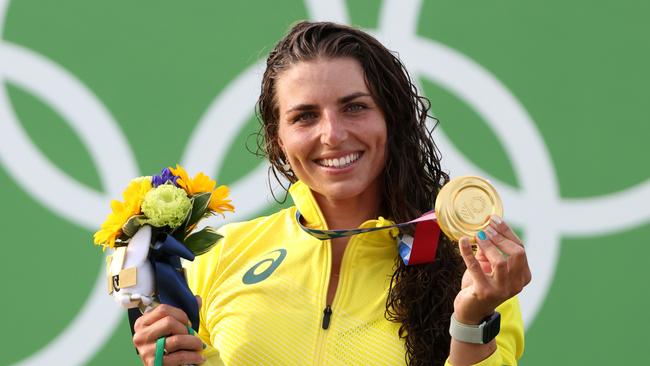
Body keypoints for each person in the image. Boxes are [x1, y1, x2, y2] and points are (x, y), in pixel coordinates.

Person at [132, 21, 531, 366]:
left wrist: (469, 321)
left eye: (354, 107)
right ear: (279, 139)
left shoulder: (470, 272)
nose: (333, 135)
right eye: (305, 116)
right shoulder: (220, 256)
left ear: (392, 119)